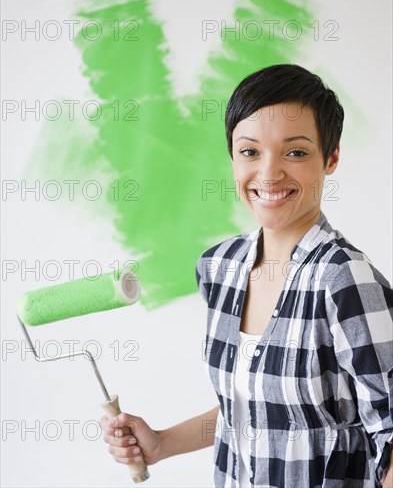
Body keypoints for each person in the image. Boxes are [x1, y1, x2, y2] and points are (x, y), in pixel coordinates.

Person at [100, 65, 393, 487]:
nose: (269, 174)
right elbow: (255, 407)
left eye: (295, 152)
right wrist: (162, 443)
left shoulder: (345, 280)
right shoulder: (220, 267)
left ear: (331, 158)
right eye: (250, 151)